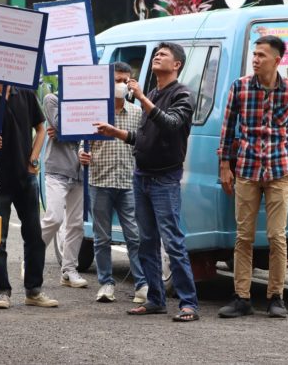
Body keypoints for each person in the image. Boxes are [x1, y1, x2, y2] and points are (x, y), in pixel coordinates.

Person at [94, 42, 200, 322]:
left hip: (165, 178)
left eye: (163, 54)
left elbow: (172, 125)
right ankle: (155, 299)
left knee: (173, 241)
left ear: (176, 64)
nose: (157, 56)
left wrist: (141, 99)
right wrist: (115, 132)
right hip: (141, 176)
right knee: (146, 242)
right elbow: (142, 140)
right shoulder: (152, 93)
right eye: (156, 54)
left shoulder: (183, 95)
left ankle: (189, 303)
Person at [217, 35, 288, 319]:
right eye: (254, 54)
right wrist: (225, 166)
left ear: (277, 60)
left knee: (277, 237)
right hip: (247, 170)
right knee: (244, 237)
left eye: (262, 55)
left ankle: (276, 297)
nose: (255, 59)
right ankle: (242, 297)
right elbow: (227, 131)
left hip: (279, 171)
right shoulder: (240, 88)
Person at [0, 83, 57, 309]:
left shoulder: (26, 95)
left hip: (25, 177)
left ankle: (34, 291)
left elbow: (40, 128)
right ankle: (1, 292)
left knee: (34, 236)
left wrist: (34, 159)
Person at [78, 62, 148, 304]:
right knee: (101, 237)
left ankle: (141, 284)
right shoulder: (95, 112)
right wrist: (82, 155)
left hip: (128, 182)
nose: (121, 85)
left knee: (134, 236)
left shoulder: (137, 113)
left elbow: (142, 144)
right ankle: (106, 284)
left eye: (125, 80)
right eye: (117, 80)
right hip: (100, 181)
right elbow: (83, 145)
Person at [41, 92, 88, 289]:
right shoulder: (52, 99)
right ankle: (31, 257)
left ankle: (69, 270)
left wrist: (64, 134)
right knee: (54, 218)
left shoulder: (89, 102)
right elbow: (62, 125)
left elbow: (94, 131)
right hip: (57, 170)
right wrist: (70, 130)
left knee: (76, 224)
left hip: (80, 172)